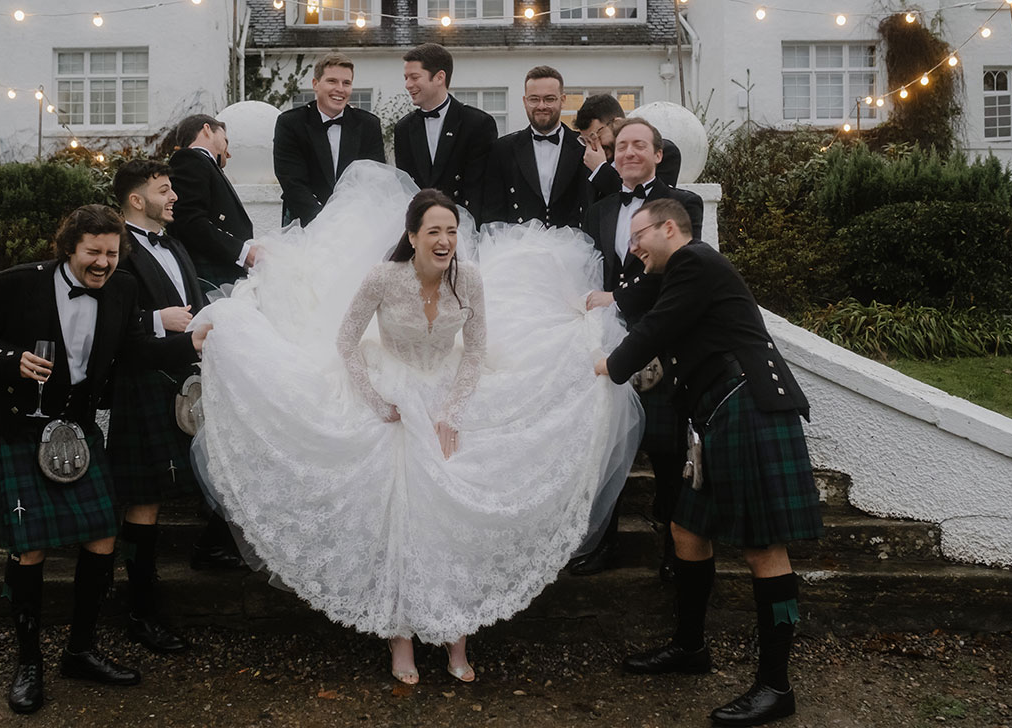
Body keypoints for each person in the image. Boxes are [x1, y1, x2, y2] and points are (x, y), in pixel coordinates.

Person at [190, 162, 639, 686]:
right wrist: (377, 400)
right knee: (402, 521)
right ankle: (400, 639)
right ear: (413, 236)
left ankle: (456, 638)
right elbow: (345, 342)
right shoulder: (384, 278)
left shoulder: (467, 278)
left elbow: (473, 353)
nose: (445, 240)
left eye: (451, 230)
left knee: (454, 521)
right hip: (391, 390)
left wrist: (453, 409)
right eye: (434, 231)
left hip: (447, 390)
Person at [0, 205, 210, 715]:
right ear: (68, 247)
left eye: (111, 253)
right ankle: (29, 663)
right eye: (92, 252)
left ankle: (81, 651)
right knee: (29, 548)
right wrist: (11, 360)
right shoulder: (16, 284)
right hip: (18, 423)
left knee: (102, 535)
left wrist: (190, 345)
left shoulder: (122, 290)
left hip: (75, 427)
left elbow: (136, 351)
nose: (102, 262)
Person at [595, 198, 822, 727]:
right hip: (716, 415)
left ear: (668, 228)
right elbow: (635, 300)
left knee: (763, 548)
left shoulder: (695, 260)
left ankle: (775, 686)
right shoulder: (677, 273)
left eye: (638, 239)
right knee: (687, 532)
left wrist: (611, 365)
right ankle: (690, 648)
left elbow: (655, 329)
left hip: (749, 409)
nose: (634, 251)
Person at [108, 159, 236, 656]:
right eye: (165, 190)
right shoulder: (114, 248)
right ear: (138, 200)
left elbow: (196, 303)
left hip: (186, 377)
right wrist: (156, 318)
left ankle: (211, 545)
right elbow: (104, 316)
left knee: (218, 465)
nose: (175, 197)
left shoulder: (176, 243)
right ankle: (141, 612)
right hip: (141, 381)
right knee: (145, 499)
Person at [574, 117, 704, 578]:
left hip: (662, 339)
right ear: (612, 155)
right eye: (621, 146)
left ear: (658, 154)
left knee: (668, 452)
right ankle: (602, 543)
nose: (629, 153)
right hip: (611, 338)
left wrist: (619, 298)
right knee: (606, 445)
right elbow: (593, 272)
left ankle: (675, 547)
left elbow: (674, 274)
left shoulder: (683, 204)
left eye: (639, 146)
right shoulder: (601, 206)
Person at [274, 52, 386, 226]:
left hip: (356, 223)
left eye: (346, 83)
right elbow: (292, 182)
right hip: (304, 224)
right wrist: (324, 222)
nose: (340, 89)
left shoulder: (369, 124)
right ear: (315, 84)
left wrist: (348, 220)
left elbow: (373, 180)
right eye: (332, 81)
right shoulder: (290, 123)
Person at [394, 43, 498, 220]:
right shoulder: (403, 128)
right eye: (406, 78)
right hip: (420, 230)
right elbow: (405, 188)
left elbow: (481, 190)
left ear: (439, 77)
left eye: (414, 77)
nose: (408, 85)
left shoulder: (477, 124)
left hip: (464, 228)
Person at [482, 66, 590, 229]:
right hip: (518, 246)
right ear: (525, 102)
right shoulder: (502, 149)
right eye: (534, 99)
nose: (541, 106)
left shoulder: (584, 147)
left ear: (563, 100)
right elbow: (493, 211)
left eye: (549, 99)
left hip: (573, 246)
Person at [167, 114, 258, 289]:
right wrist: (244, 252)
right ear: (207, 129)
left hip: (222, 274)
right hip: (210, 276)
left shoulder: (202, 164)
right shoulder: (189, 159)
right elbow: (190, 222)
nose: (228, 153)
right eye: (226, 140)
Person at [574, 94, 683, 200]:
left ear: (617, 123)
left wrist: (601, 170)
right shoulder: (590, 162)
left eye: (596, 136)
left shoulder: (664, 153)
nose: (592, 147)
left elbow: (650, 201)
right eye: (586, 141)